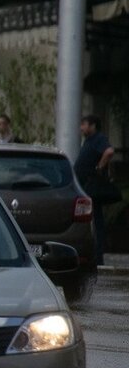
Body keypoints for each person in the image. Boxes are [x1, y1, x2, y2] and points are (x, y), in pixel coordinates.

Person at [75, 114, 117, 266]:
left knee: (96, 220)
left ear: (92, 125)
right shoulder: (88, 140)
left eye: (84, 124)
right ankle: (92, 254)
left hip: (92, 185)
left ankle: (99, 256)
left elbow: (109, 151)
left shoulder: (98, 138)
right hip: (85, 185)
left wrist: (99, 167)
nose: (81, 128)